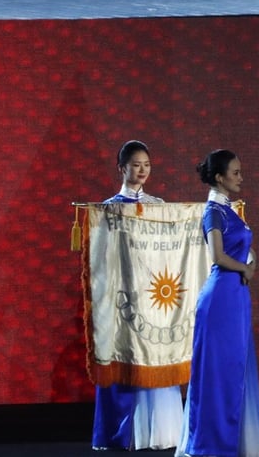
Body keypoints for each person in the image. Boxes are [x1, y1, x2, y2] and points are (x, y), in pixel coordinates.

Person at [92, 140, 184, 451]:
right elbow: (101, 257)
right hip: (123, 298)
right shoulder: (109, 208)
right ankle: (127, 431)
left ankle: (161, 430)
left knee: (157, 358)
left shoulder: (159, 205)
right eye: (135, 164)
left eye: (146, 164)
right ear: (121, 168)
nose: (142, 170)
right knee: (129, 363)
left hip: (154, 297)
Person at [177, 149, 259, 457]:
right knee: (218, 374)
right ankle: (211, 445)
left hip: (236, 298)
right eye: (235, 173)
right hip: (220, 300)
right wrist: (245, 268)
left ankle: (231, 442)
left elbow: (245, 246)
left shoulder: (229, 211)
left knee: (234, 370)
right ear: (219, 177)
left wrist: (251, 261)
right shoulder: (213, 211)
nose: (241, 177)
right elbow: (217, 255)